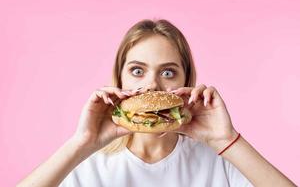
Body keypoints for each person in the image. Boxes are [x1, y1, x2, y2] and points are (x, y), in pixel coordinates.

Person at [17, 19, 296, 187]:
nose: (151, 85)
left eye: (168, 72)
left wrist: (227, 140)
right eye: (137, 70)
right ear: (120, 79)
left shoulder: (217, 160)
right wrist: (81, 143)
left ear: (187, 81)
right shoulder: (89, 162)